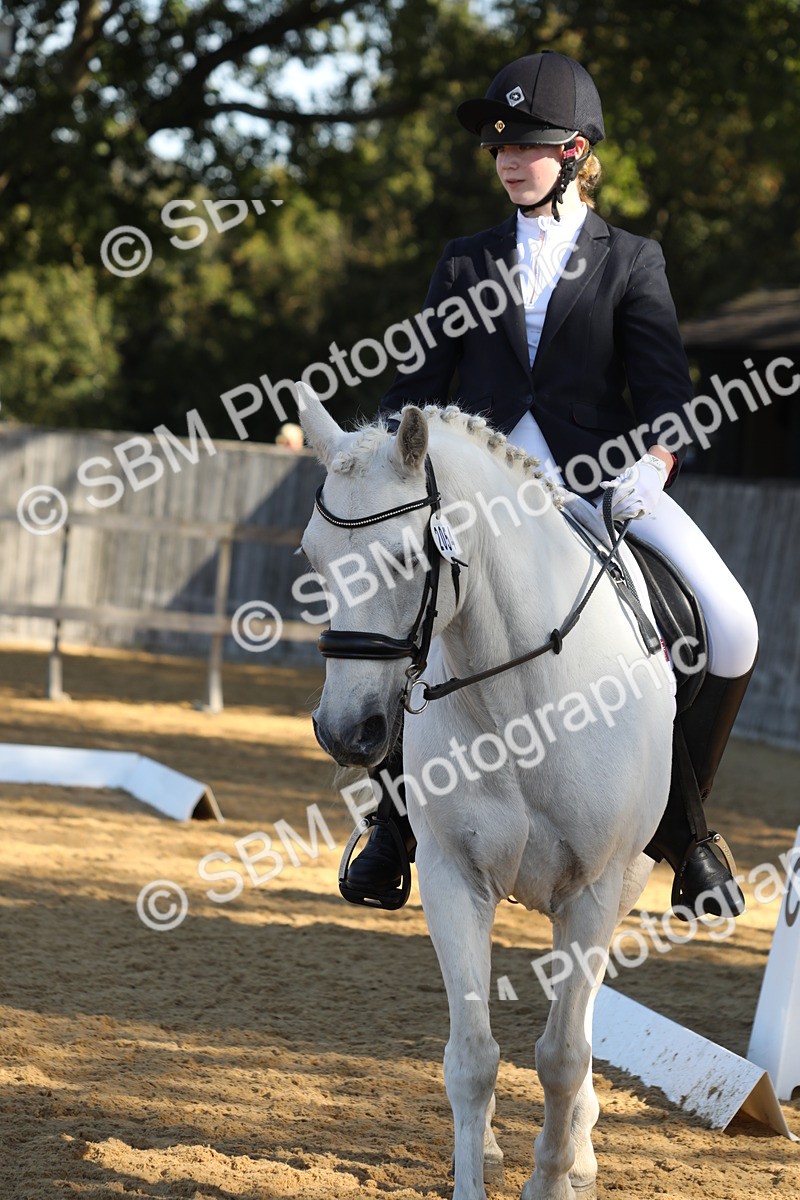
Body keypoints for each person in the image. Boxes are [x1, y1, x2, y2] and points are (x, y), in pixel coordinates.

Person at [344, 50, 759, 918]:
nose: (505, 160)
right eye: (498, 147)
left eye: (524, 146)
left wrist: (653, 465)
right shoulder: (466, 261)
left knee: (730, 623)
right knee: (393, 603)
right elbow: (418, 386)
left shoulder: (631, 261)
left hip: (600, 486)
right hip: (480, 501)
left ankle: (686, 829)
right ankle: (391, 823)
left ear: (573, 152)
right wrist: (368, 449)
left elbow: (668, 397)